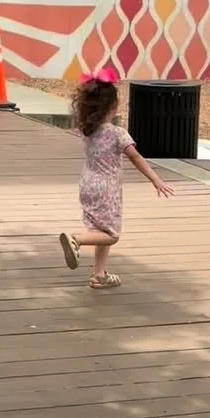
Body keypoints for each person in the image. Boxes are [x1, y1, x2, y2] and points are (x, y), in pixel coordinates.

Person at [59, 68, 173, 289]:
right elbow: (135, 156)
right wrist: (155, 179)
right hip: (107, 188)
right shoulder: (118, 133)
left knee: (100, 230)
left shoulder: (88, 130)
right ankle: (76, 239)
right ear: (112, 106)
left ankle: (99, 275)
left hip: (87, 186)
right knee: (111, 235)